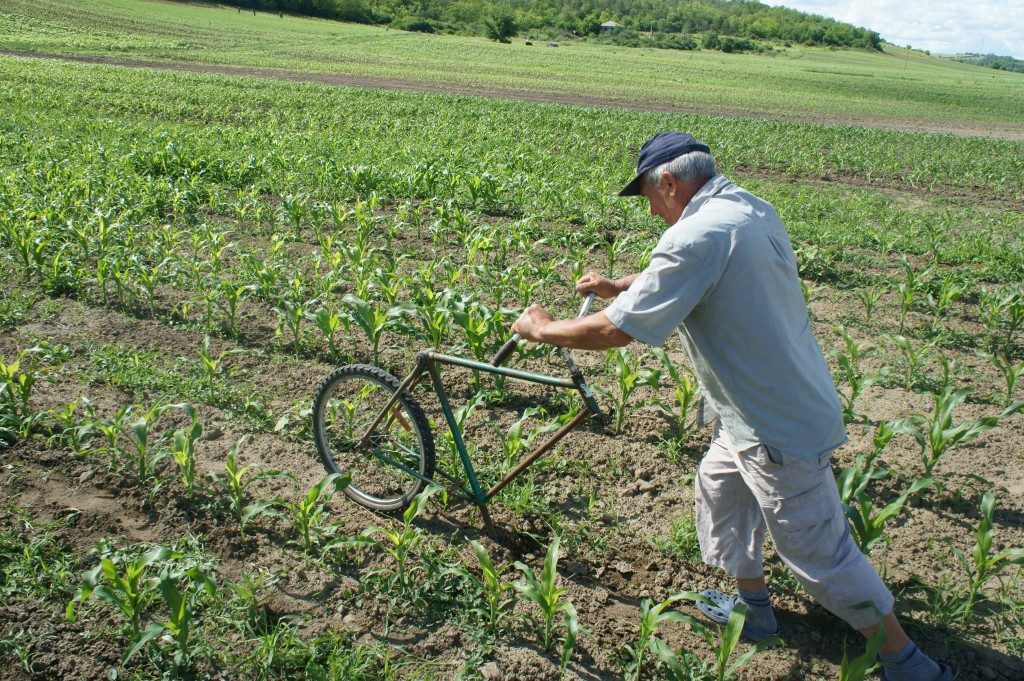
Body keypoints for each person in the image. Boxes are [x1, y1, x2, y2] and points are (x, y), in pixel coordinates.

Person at [510, 131, 949, 681]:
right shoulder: (748, 210)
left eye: (649, 197)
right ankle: (755, 612)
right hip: (748, 416)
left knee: (820, 556)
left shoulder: (695, 234)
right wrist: (616, 283)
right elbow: (688, 276)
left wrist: (543, 329)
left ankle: (907, 662)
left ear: (669, 183)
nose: (652, 209)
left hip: (776, 427)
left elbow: (616, 331)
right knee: (720, 492)